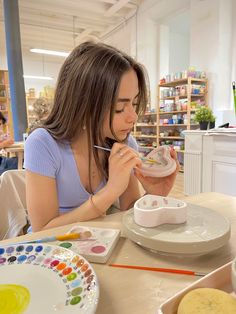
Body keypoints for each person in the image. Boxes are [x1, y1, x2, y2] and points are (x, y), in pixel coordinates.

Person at [24, 41, 179, 232]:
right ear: (83, 104)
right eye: (119, 108)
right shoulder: (43, 144)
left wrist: (154, 194)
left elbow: (129, 210)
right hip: (52, 251)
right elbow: (42, 229)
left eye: (134, 103)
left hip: (98, 245)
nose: (133, 116)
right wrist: (110, 192)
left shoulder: (125, 143)